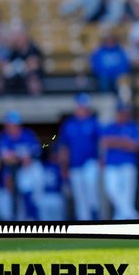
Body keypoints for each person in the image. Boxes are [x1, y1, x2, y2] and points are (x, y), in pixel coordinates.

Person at [58, 93, 101, 221]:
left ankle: (95, 217)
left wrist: (102, 159)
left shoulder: (93, 122)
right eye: (79, 106)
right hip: (74, 164)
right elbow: (64, 147)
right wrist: (64, 166)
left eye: (83, 106)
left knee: (91, 189)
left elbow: (101, 143)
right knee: (79, 197)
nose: (81, 108)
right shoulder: (69, 124)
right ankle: (84, 223)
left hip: (90, 162)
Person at [0, 111, 43, 221]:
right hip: (15, 169)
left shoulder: (27, 134)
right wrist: (21, 157)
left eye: (14, 124)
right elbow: (6, 158)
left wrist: (28, 156)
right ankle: (27, 218)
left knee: (37, 195)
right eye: (9, 124)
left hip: (32, 167)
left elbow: (38, 150)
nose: (11, 126)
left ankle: (35, 217)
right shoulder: (4, 137)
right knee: (21, 191)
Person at [100, 102, 139, 219]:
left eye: (125, 112)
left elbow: (134, 146)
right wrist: (123, 142)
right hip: (111, 164)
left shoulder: (132, 126)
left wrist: (115, 142)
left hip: (128, 164)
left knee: (127, 194)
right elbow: (104, 143)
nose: (123, 115)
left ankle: (121, 216)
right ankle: (131, 214)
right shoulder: (110, 127)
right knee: (111, 189)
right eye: (121, 112)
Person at [4, 30, 45, 95]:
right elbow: (9, 63)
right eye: (18, 39)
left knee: (33, 79)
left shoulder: (33, 49)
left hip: (32, 73)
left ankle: (36, 98)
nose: (19, 41)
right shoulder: (15, 50)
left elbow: (36, 63)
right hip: (18, 74)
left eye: (21, 39)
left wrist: (25, 66)